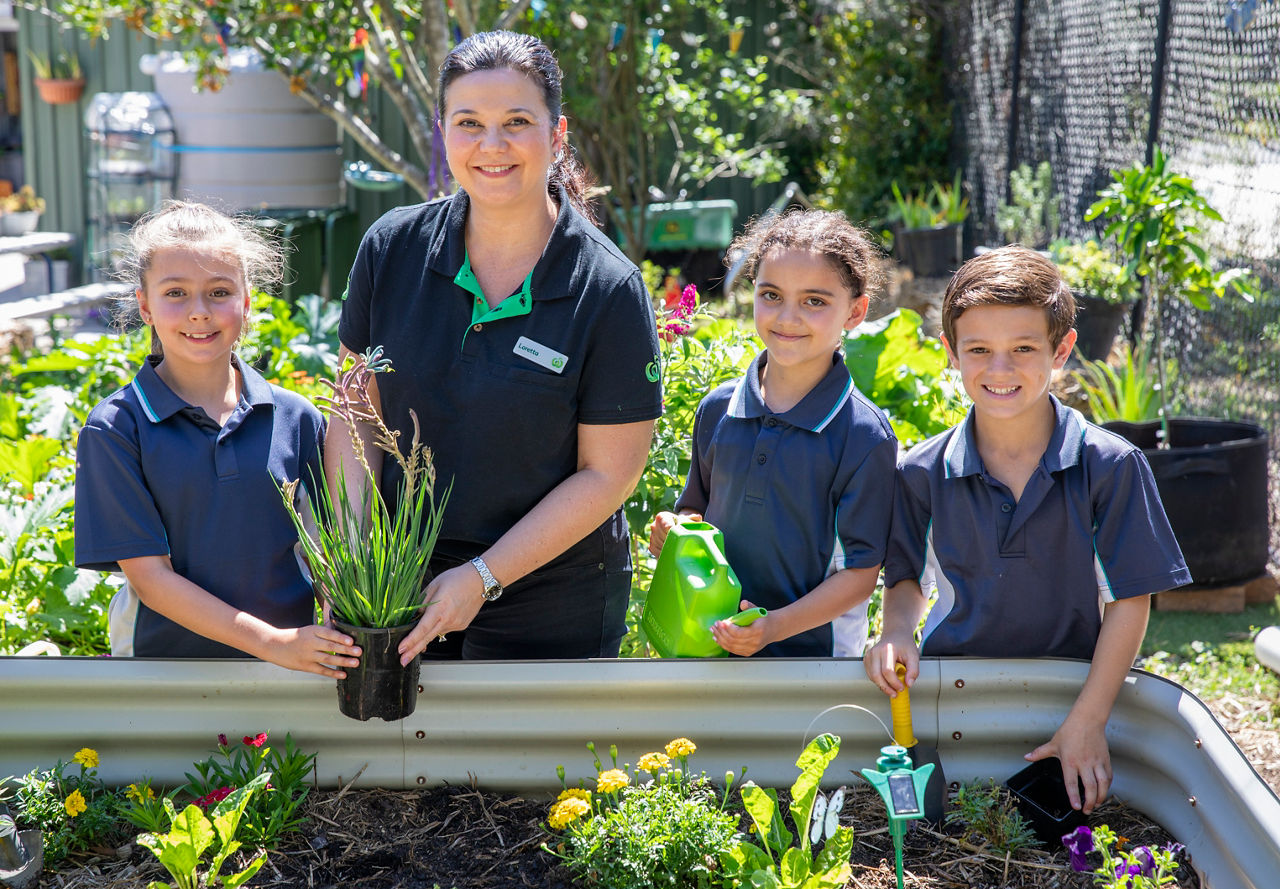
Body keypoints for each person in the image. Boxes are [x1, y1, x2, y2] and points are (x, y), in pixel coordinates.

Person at [330, 31, 661, 662]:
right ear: (444, 133)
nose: (492, 145)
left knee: (538, 764)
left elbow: (608, 473)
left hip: (551, 603)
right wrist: (353, 562)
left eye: (516, 122)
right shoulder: (390, 249)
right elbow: (355, 416)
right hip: (401, 593)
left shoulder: (608, 288)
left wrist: (483, 576)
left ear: (557, 133)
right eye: (469, 123)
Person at [864, 246, 1190, 813]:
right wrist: (895, 631)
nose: (999, 369)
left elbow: (1130, 600)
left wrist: (1088, 721)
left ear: (1061, 349)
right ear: (950, 353)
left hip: (1074, 695)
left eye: (1023, 348)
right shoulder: (920, 472)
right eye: (980, 350)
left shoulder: (1109, 466)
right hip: (953, 698)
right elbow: (907, 580)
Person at [74, 201, 361, 676]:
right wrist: (273, 642)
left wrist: (331, 627)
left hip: (289, 673)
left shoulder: (297, 417)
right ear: (144, 306)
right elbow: (151, 581)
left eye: (220, 291)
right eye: (176, 293)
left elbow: (329, 551)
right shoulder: (116, 429)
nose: (199, 312)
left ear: (247, 303)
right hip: (162, 675)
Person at [648, 209, 897, 657]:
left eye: (814, 301)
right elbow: (697, 514)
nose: (787, 317)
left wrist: (772, 627)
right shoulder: (718, 408)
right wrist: (675, 530)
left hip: (813, 666)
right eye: (771, 295)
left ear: (855, 311)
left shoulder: (864, 436)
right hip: (709, 649)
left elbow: (860, 575)